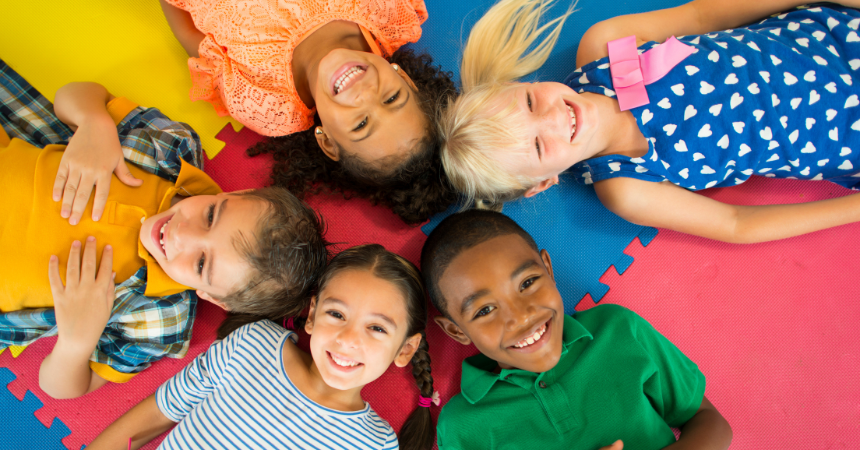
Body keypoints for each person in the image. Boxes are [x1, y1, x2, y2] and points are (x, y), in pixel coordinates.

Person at [0, 60, 328, 399]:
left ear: (212, 298)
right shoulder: (170, 151)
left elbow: (62, 388)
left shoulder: (158, 320)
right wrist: (93, 122)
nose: (181, 234)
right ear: (236, 194)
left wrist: (75, 341)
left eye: (202, 263)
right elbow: (71, 96)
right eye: (211, 216)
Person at [440, 0, 860, 243]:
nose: (554, 117)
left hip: (836, 35)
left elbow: (703, 17)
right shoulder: (627, 188)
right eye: (537, 146)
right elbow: (737, 224)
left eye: (530, 102)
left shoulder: (602, 47)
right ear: (543, 183)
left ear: (522, 83)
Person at [420, 209, 732, 450]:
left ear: (548, 268)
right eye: (485, 310)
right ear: (456, 331)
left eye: (527, 283)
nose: (521, 317)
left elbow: (710, 422)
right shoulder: (461, 426)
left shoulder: (617, 330)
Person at [88, 244, 436, 450]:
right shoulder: (253, 345)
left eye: (376, 328)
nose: (348, 339)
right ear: (312, 315)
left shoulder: (374, 444)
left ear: (404, 350)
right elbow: (156, 414)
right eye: (337, 314)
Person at [160, 0, 458, 224]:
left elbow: (188, 32)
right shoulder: (387, 10)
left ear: (327, 140)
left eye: (362, 123)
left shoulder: (261, 101)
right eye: (392, 98)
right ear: (404, 78)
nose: (364, 94)